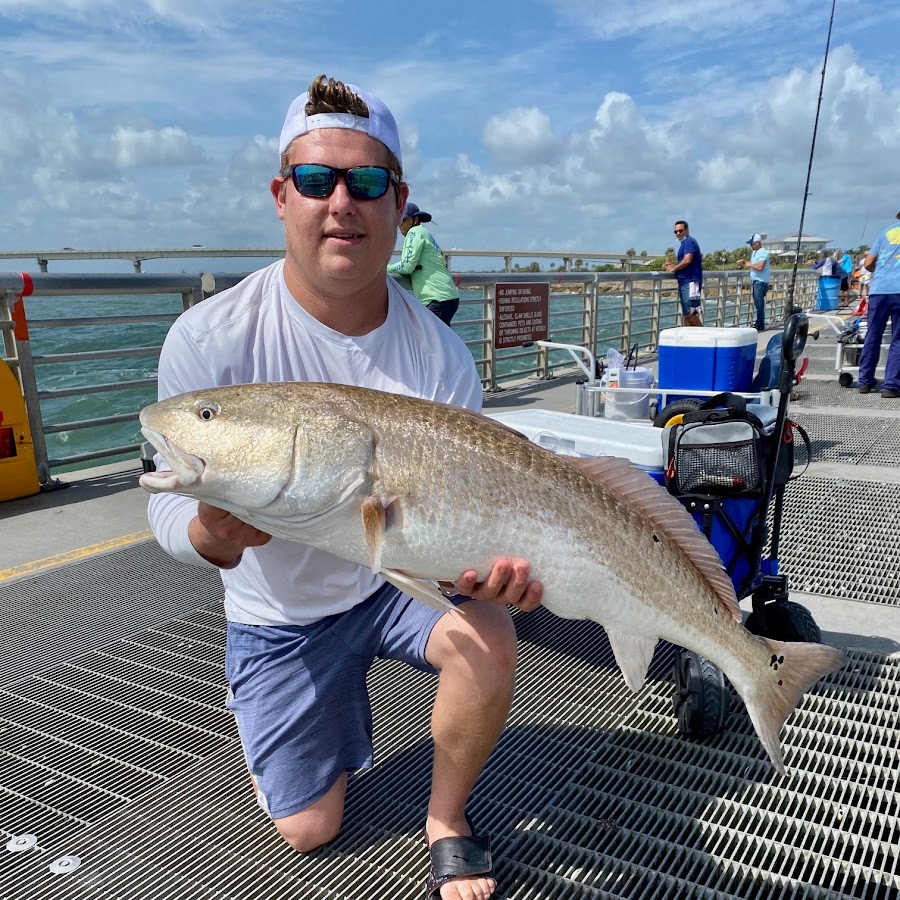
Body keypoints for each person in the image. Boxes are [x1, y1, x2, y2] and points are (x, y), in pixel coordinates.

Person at [146, 74, 543, 900]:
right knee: (309, 830)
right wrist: (205, 537)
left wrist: (485, 576)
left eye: (366, 184)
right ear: (280, 195)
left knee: (490, 627)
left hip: (392, 580)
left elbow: (460, 511)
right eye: (317, 180)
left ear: (397, 206)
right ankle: (303, 712)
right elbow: (164, 500)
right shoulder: (209, 338)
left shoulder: (439, 356)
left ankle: (446, 819)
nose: (341, 204)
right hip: (280, 614)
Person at [387, 201, 460, 324]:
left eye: (403, 220)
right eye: (398, 221)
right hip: (446, 297)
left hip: (437, 299)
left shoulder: (415, 232)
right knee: (436, 341)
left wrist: (385, 268)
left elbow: (407, 266)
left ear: (415, 219)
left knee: (430, 341)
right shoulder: (424, 233)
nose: (400, 225)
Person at [856, 216, 900, 399]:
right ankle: (890, 385)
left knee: (872, 335)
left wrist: (882, 271)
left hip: (879, 289)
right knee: (898, 338)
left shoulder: (886, 231)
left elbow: (867, 263)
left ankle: (864, 381)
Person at [664, 220, 703, 326]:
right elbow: (685, 263)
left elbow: (687, 260)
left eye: (680, 231)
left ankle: (705, 338)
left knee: (691, 315)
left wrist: (673, 268)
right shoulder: (685, 244)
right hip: (686, 283)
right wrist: (672, 266)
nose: (678, 234)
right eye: (675, 232)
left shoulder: (689, 242)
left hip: (690, 282)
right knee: (687, 315)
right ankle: (690, 341)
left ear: (686, 230)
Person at [740, 233, 770, 331]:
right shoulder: (755, 252)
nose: (751, 245)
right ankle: (759, 323)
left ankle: (760, 324)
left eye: (752, 243)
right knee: (757, 304)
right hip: (756, 281)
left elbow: (760, 267)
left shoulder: (762, 252)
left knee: (760, 304)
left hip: (760, 282)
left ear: (757, 243)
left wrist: (749, 264)